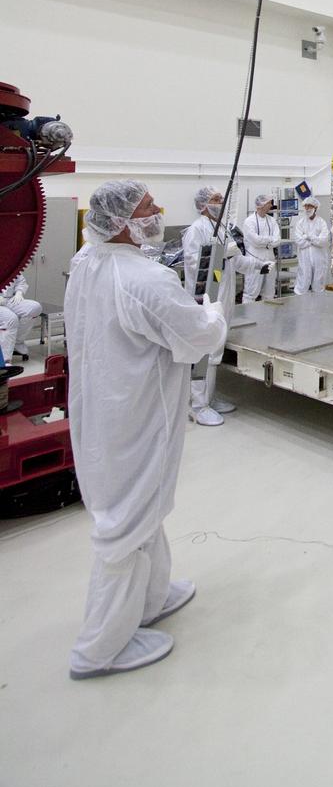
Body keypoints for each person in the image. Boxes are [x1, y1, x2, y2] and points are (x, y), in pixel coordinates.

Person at [65, 179, 227, 680]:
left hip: (103, 407)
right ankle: (100, 648)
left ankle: (150, 598)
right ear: (122, 223)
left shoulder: (86, 263)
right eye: (147, 207)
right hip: (137, 416)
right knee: (126, 521)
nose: (157, 211)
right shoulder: (145, 280)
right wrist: (215, 311)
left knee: (144, 508)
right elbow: (197, 337)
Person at [182, 186, 264, 426]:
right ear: (203, 204)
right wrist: (220, 253)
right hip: (206, 296)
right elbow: (194, 261)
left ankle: (209, 397)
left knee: (216, 348)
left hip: (223, 296)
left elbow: (237, 260)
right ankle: (197, 405)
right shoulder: (196, 230)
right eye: (215, 199)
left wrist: (260, 266)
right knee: (203, 350)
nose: (220, 202)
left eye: (221, 198)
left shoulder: (222, 229)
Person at [242, 194, 281, 301]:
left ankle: (267, 317)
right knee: (251, 291)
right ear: (261, 205)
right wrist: (269, 240)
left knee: (269, 292)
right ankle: (248, 317)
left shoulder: (272, 221)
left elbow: (277, 240)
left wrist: (264, 241)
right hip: (254, 259)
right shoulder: (249, 221)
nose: (270, 205)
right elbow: (255, 241)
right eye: (268, 203)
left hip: (270, 259)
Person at [0, 272, 43, 361]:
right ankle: (5, 359)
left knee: (35, 308)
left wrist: (19, 292)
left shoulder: (11, 265)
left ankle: (17, 342)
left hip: (10, 299)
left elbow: (20, 281)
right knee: (11, 318)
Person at [294, 197, 330, 294]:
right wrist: (314, 240)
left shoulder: (321, 222)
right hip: (305, 258)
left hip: (319, 258)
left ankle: (318, 307)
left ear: (315, 208)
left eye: (310, 206)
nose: (307, 208)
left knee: (318, 284)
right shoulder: (300, 223)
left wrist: (308, 237)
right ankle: (301, 307)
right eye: (306, 206)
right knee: (302, 283)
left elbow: (323, 240)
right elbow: (298, 241)